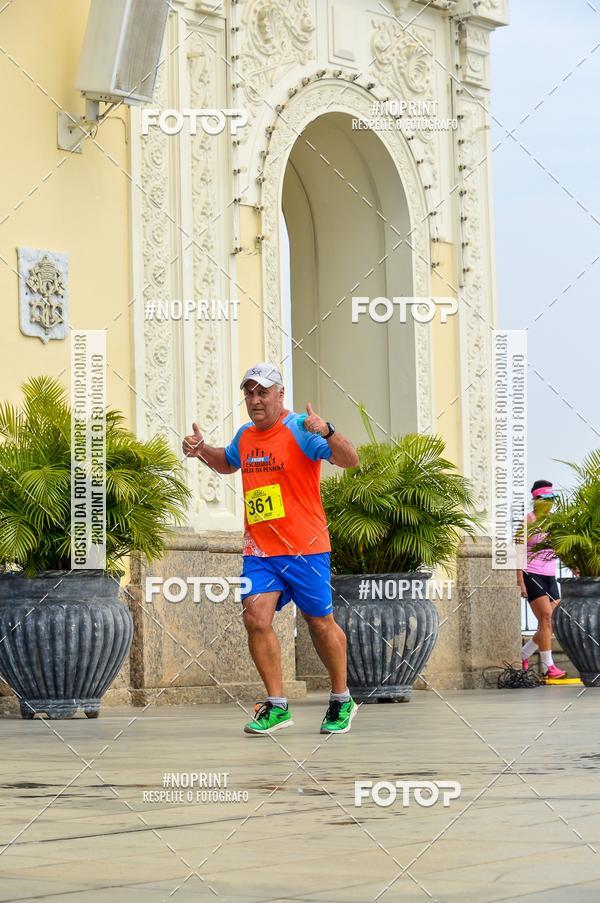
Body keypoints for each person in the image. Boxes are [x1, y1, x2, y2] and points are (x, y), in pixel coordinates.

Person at [182, 362, 361, 735]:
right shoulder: (246, 436)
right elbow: (227, 463)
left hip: (306, 549)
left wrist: (327, 431)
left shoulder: (300, 429)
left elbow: (349, 460)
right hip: (260, 552)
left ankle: (342, 698)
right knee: (255, 618)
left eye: (263, 392)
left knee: (318, 623)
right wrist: (202, 451)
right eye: (249, 393)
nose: (255, 400)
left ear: (280, 395)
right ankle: (277, 705)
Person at [517, 480, 566, 679]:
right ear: (536, 500)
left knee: (551, 621)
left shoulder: (555, 522)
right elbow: (518, 551)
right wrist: (520, 581)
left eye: (552, 499)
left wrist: (575, 567)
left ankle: (524, 654)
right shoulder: (527, 521)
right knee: (545, 616)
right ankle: (548, 667)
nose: (550, 503)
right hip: (532, 573)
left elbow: (562, 547)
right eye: (545, 500)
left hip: (550, 575)